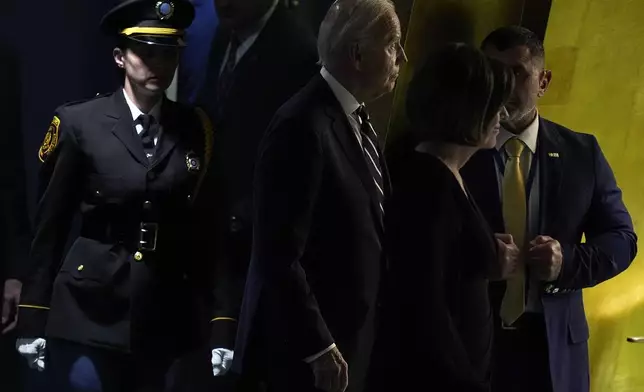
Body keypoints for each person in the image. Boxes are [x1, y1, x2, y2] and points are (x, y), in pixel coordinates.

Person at [14, 1, 226, 390]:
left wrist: (221, 320)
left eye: (168, 54)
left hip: (164, 308)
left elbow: (209, 229)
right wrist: (32, 315)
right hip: (90, 307)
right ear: (119, 57)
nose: (157, 65)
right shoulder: (81, 124)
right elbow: (51, 226)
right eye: (145, 53)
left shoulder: (196, 128)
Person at [232, 1, 407, 391]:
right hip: (302, 361)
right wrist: (318, 346)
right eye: (393, 44)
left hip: (347, 350)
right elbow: (278, 252)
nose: (403, 57)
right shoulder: (301, 125)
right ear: (357, 54)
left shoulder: (356, 120)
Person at [461, 26, 638, 392]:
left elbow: (622, 240)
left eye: (517, 73)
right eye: (493, 72)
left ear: (544, 81)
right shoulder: (455, 151)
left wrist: (567, 262)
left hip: (554, 348)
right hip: (471, 342)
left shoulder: (582, 153)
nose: (504, 85)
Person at [373, 43, 516, 392]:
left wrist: (485, 253)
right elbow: (424, 308)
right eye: (495, 106)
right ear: (467, 111)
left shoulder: (443, 172)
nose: (503, 116)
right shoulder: (428, 184)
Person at [191, 0, 320, 367]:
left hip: (252, 247)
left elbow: (297, 162)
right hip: (212, 233)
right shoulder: (226, 33)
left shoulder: (298, 52)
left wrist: (245, 211)